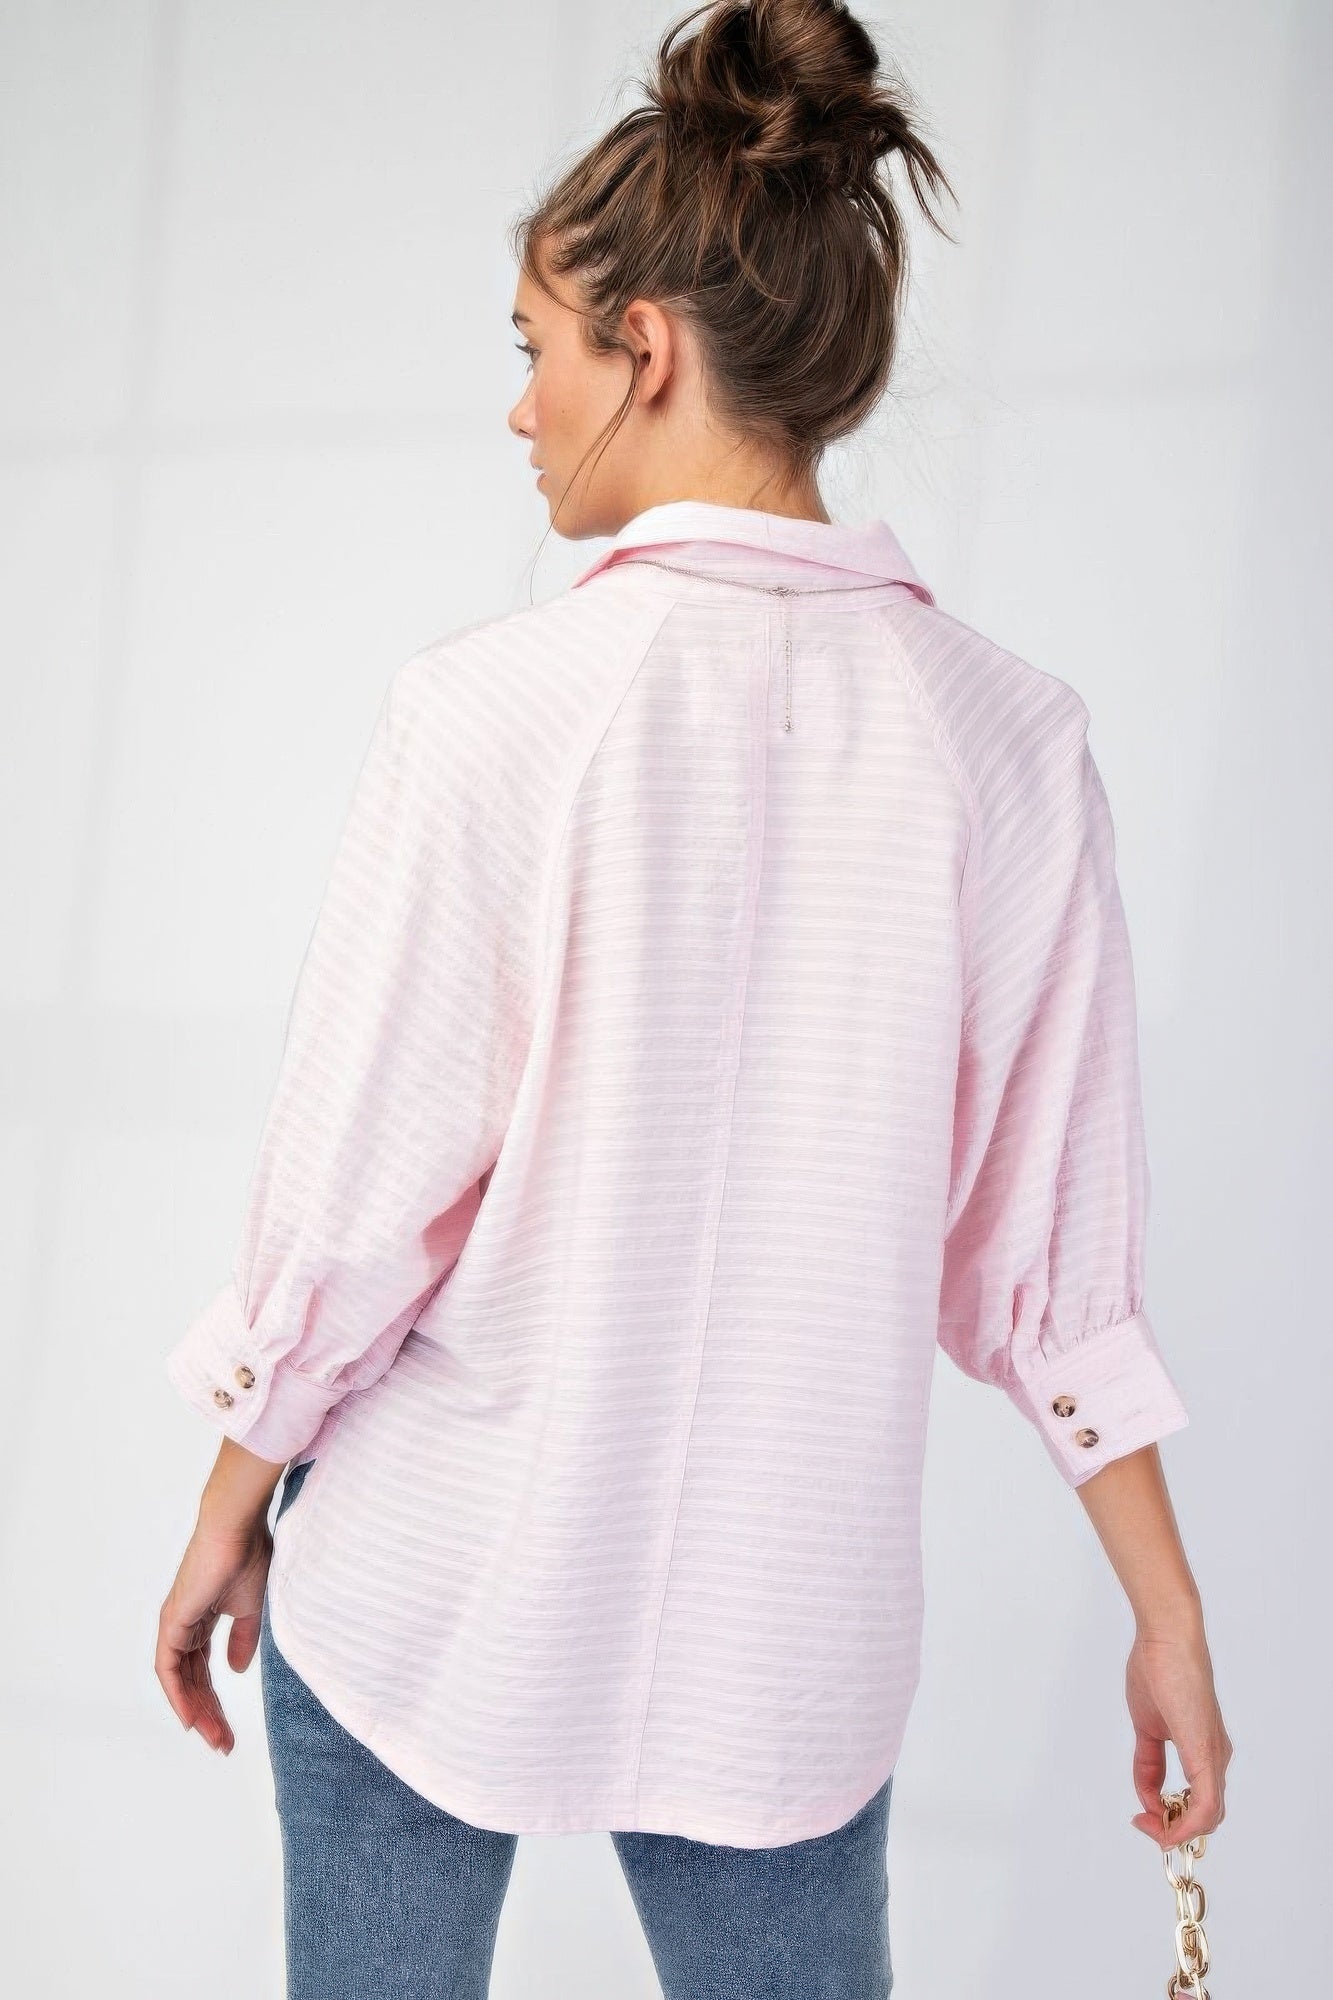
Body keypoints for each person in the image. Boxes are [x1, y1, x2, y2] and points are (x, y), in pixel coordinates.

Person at [155, 2, 1231, 1994]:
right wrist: (1165, 1616)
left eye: (532, 350)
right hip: (782, 1649)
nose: (519, 410)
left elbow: (359, 1205)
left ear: (641, 348)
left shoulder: (485, 714)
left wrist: (231, 1495)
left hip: (426, 1587)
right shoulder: (1009, 743)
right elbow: (1051, 1271)